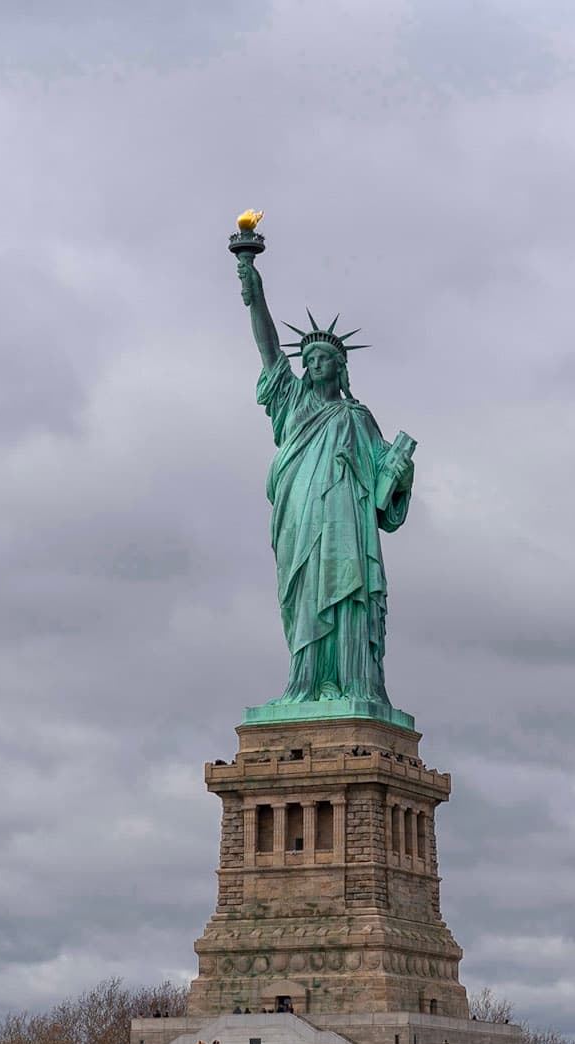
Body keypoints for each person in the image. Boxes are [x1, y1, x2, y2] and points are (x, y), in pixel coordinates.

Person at [234, 242, 416, 711]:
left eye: (324, 358)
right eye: (309, 358)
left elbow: (383, 494)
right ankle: (306, 683)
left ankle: (351, 685)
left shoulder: (358, 417)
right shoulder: (291, 402)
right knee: (303, 594)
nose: (314, 363)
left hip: (345, 528)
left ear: (341, 366)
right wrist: (255, 289)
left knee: (346, 594)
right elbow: (268, 347)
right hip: (299, 517)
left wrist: (400, 470)